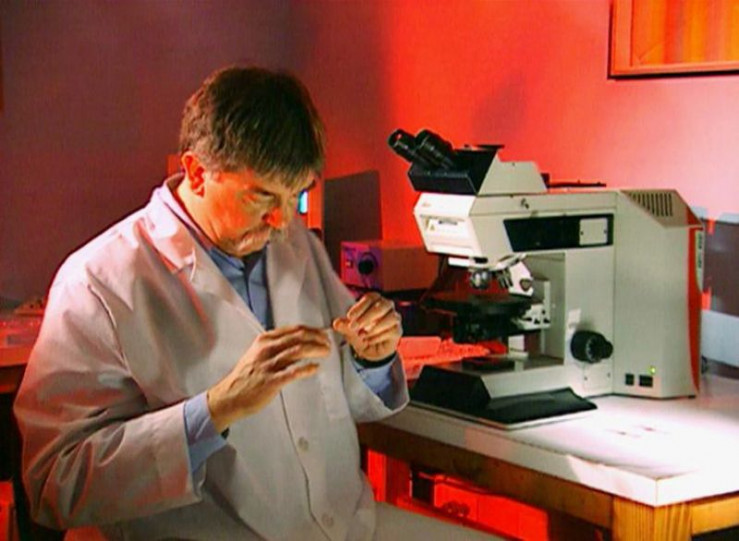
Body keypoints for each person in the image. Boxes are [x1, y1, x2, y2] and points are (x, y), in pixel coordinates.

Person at [13, 66, 498, 540]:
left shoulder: (294, 248)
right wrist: (216, 409)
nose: (281, 221)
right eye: (261, 196)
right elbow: (54, 482)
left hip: (344, 523)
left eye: (295, 195)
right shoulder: (99, 282)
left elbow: (338, 399)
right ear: (196, 173)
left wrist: (372, 357)